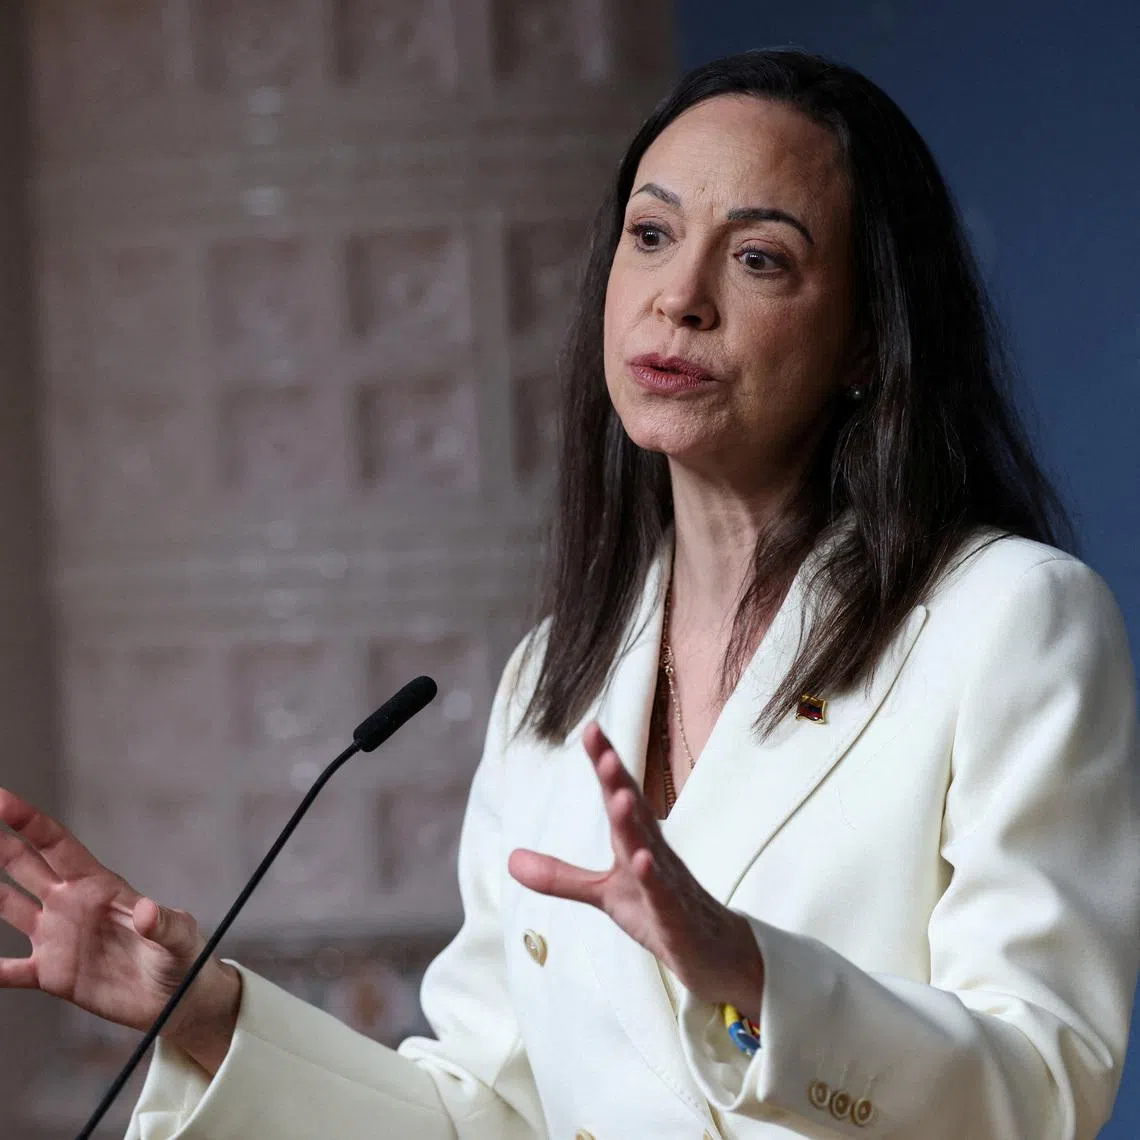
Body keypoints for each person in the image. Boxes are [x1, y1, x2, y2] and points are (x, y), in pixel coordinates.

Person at [0, 49, 1137, 1140]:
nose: (679, 297)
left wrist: (752, 981)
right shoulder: (557, 675)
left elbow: (1040, 1088)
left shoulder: (1010, 622)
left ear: (870, 341)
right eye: (651, 236)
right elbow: (479, 1117)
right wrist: (201, 1010)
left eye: (759, 259)